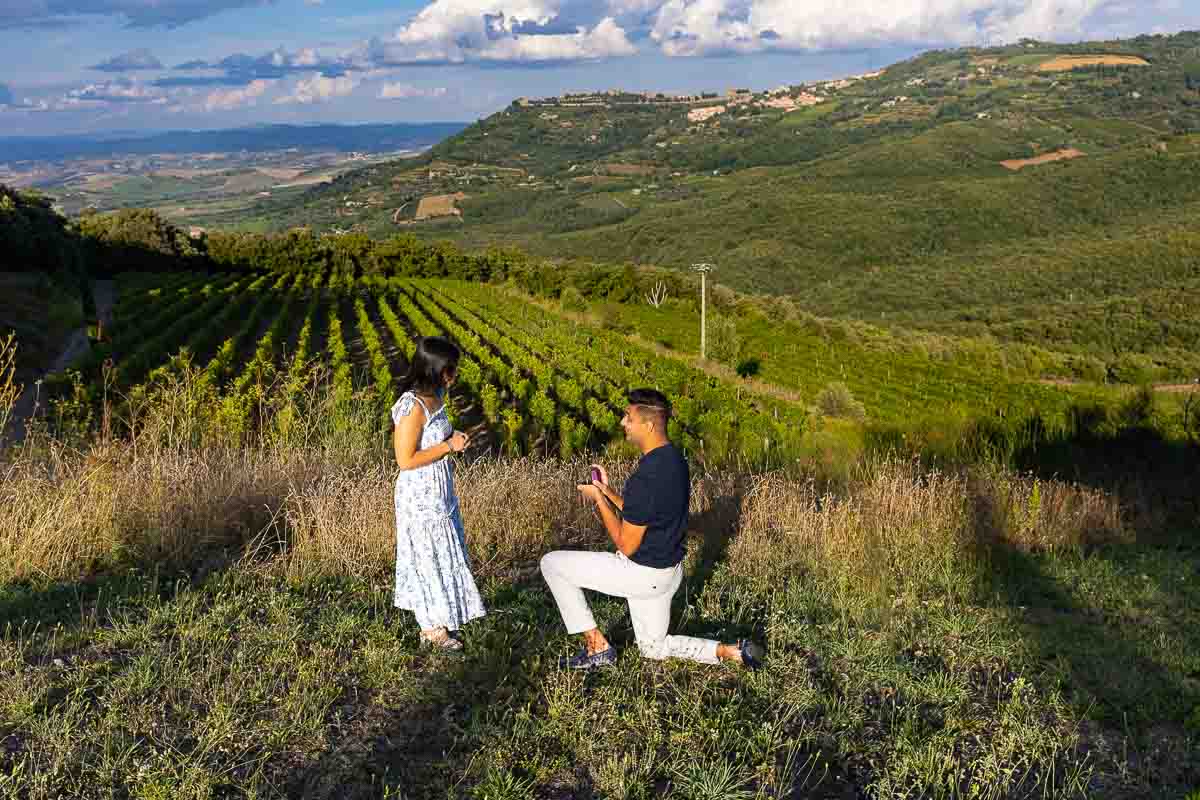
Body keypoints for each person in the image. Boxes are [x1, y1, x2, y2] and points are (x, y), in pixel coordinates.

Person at [540, 388, 765, 670]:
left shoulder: (646, 477)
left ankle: (596, 647)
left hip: (641, 574)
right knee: (653, 648)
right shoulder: (674, 460)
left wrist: (598, 500)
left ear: (647, 425)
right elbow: (646, 513)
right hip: (668, 573)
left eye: (628, 417)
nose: (623, 423)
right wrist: (607, 491)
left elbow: (626, 544)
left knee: (552, 564)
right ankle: (730, 651)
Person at [391, 336, 485, 651]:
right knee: (426, 557)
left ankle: (440, 619)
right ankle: (431, 629)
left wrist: (452, 439)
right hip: (419, 495)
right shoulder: (412, 407)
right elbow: (405, 460)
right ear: (432, 369)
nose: (453, 376)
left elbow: (435, 441)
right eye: (449, 370)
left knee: (442, 553)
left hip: (439, 489)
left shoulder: (438, 395)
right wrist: (447, 446)